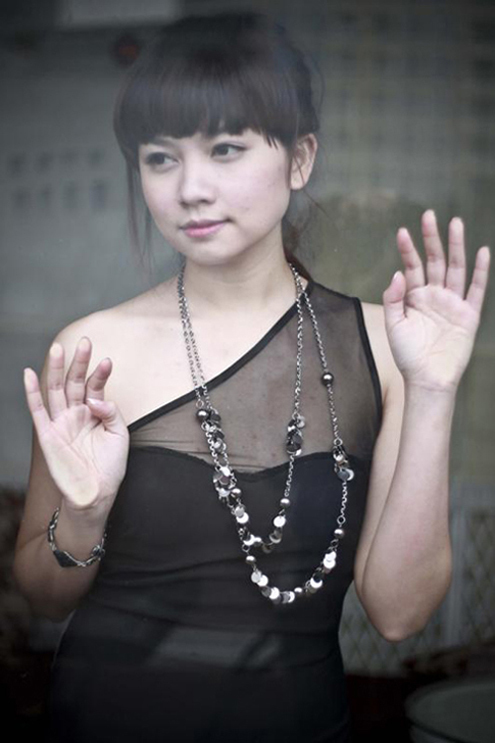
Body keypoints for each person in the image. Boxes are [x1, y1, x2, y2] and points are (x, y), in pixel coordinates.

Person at [14, 11, 490, 743]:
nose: (190, 188)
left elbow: (398, 615)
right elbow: (44, 598)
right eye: (160, 158)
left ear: (299, 159)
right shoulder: (94, 348)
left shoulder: (383, 346)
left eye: (226, 149)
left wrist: (431, 389)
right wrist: (84, 515)